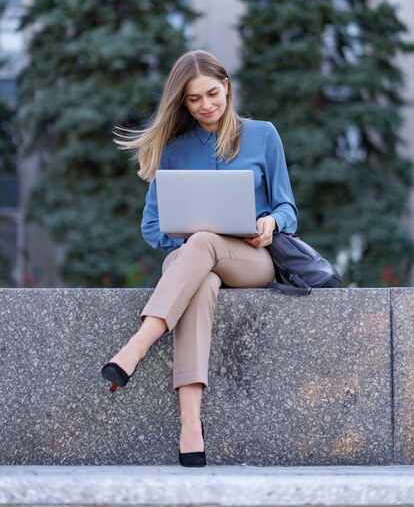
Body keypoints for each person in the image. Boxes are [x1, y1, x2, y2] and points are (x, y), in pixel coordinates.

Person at [101, 49, 297, 467]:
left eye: (212, 93)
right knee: (200, 276)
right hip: (194, 266)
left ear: (226, 86)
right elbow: (153, 228)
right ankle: (191, 427)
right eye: (194, 99)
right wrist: (193, 248)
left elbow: (288, 209)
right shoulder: (174, 150)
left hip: (251, 261)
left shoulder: (263, 135)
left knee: (203, 242)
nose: (206, 105)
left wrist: (270, 224)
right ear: (183, 103)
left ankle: (135, 348)